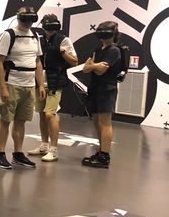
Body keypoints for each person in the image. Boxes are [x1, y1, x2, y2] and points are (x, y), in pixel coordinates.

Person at [0, 6, 46, 170]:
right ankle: (1, 154)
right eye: (26, 18)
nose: (29, 22)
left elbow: (37, 61)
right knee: (5, 119)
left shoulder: (34, 36)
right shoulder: (9, 35)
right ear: (19, 18)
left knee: (21, 121)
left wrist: (41, 84)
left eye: (32, 18)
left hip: (29, 85)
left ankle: (18, 154)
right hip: (12, 83)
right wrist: (3, 87)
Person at [28, 14, 78, 162]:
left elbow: (75, 61)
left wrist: (63, 52)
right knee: (42, 114)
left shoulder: (64, 40)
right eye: (47, 24)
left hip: (56, 82)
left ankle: (54, 149)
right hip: (40, 82)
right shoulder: (40, 40)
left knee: (50, 114)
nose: (50, 28)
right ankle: (44, 145)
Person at [81, 21, 123, 169]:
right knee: (97, 121)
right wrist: (94, 66)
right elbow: (86, 68)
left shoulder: (114, 51)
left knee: (105, 122)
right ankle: (100, 151)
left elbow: (101, 70)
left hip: (107, 89)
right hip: (95, 88)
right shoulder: (98, 49)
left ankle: (105, 155)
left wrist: (93, 66)